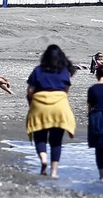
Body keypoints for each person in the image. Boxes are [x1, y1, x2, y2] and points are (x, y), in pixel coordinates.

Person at [25, 45, 76, 178]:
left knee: (40, 135)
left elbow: (30, 91)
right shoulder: (64, 71)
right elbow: (65, 91)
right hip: (59, 106)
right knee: (56, 140)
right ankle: (53, 172)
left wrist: (32, 104)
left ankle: (43, 159)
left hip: (39, 105)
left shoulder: (38, 70)